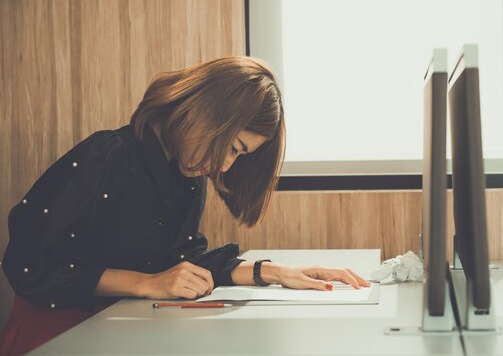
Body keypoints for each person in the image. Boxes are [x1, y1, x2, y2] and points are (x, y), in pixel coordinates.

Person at [0, 56, 370, 355]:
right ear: (208, 113)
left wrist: (276, 273)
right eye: (232, 147)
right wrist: (146, 284)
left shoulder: (187, 177)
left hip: (120, 329)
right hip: (54, 336)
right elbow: (27, 262)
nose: (225, 166)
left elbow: (185, 263)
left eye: (239, 157)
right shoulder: (109, 154)